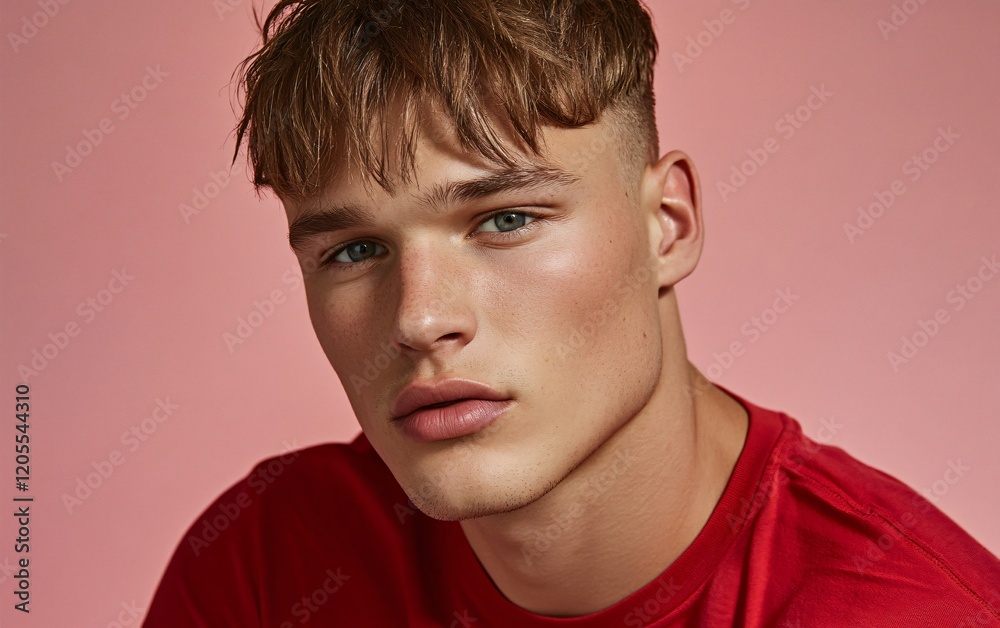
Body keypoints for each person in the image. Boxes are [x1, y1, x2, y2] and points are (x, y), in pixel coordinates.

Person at [146, 0, 1000, 625]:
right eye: (354, 250)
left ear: (668, 227)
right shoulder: (262, 565)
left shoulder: (905, 610)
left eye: (505, 219)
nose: (420, 318)